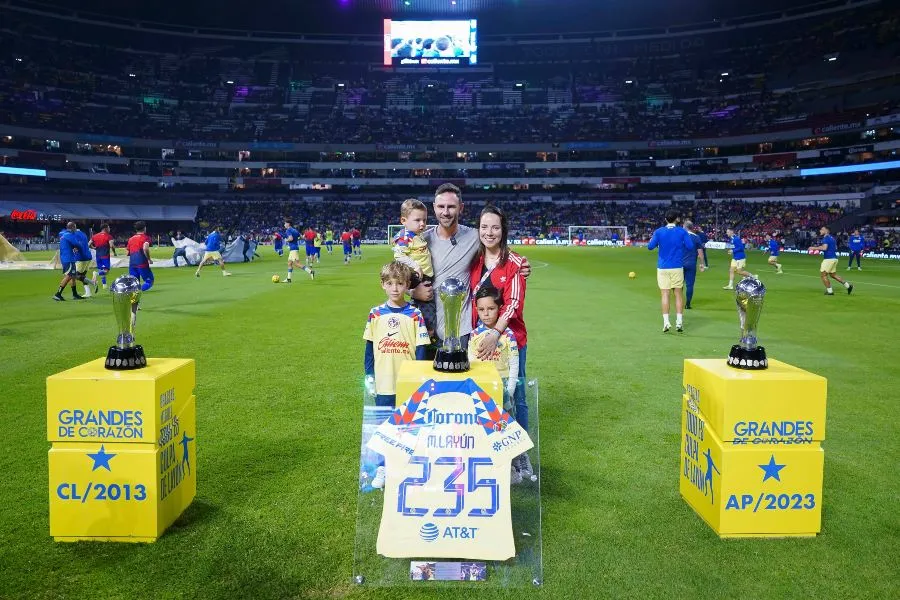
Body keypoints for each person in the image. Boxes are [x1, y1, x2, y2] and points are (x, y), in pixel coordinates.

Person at [411, 183, 532, 351]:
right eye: (441, 206)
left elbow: (495, 245)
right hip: (426, 326)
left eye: (451, 206)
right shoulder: (420, 242)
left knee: (462, 376)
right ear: (434, 208)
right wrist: (411, 291)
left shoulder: (475, 237)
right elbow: (396, 278)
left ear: (461, 208)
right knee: (425, 377)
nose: (445, 212)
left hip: (463, 330)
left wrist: (520, 265)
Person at [467, 205, 532, 480]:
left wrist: (496, 334)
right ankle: (489, 447)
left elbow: (514, 303)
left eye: (495, 227)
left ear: (503, 230)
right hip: (480, 342)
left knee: (515, 395)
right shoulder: (473, 261)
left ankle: (521, 455)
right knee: (484, 396)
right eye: (484, 227)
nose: (489, 232)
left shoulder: (515, 263)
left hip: (509, 341)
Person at [363, 262, 429, 407]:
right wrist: (369, 375)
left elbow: (421, 349)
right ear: (383, 284)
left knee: (407, 425)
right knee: (384, 424)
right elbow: (370, 348)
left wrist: (418, 376)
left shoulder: (415, 314)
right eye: (390, 283)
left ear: (407, 285)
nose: (395, 288)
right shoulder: (375, 314)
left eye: (399, 283)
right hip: (383, 383)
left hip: (408, 382)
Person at [468, 286, 519, 410]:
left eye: (491, 308)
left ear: (499, 308)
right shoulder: (474, 334)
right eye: (481, 309)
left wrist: (510, 390)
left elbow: (514, 364)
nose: (486, 314)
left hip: (504, 386)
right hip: (481, 385)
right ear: (476, 310)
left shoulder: (508, 335)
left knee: (506, 421)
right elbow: (471, 361)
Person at [648, 210, 694, 332]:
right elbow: (690, 246)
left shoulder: (659, 232)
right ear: (677, 219)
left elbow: (650, 247)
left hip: (663, 267)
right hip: (677, 266)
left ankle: (666, 322)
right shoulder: (682, 231)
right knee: (678, 294)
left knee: (665, 294)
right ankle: (679, 322)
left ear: (665, 219)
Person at [811, 226, 853, 296]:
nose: (820, 230)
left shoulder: (826, 238)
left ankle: (830, 291)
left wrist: (813, 248)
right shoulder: (832, 238)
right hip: (834, 258)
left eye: (822, 229)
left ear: (826, 231)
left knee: (823, 275)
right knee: (833, 275)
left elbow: (824, 248)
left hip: (829, 259)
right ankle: (848, 286)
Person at [53, 222, 84, 301]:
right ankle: (58, 294)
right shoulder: (69, 235)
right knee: (69, 276)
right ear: (73, 227)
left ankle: (75, 294)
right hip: (68, 258)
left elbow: (70, 244)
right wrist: (80, 246)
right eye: (75, 228)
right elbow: (77, 244)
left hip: (65, 257)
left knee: (73, 276)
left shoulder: (63, 234)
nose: (76, 230)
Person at [682, 220, 704, 310]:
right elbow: (700, 253)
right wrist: (702, 264)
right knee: (690, 285)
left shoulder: (681, 236)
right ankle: (688, 304)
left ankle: (678, 301)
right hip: (691, 263)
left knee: (678, 285)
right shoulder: (696, 237)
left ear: (685, 227)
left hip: (680, 263)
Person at [126, 221, 154, 292]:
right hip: (142, 263)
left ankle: (132, 295)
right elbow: (145, 248)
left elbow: (127, 253)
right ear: (144, 228)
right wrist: (149, 259)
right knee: (149, 281)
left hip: (132, 264)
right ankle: (139, 291)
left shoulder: (131, 239)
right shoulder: (146, 238)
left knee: (135, 283)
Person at [72, 225, 98, 297]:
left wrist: (74, 248)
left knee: (75, 275)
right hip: (88, 256)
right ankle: (88, 292)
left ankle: (93, 283)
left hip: (81, 258)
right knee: (83, 276)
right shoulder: (83, 234)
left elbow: (76, 245)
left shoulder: (74, 234)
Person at [90, 223, 116, 288]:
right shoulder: (109, 236)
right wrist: (114, 252)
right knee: (106, 271)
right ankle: (96, 274)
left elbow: (88, 244)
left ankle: (104, 284)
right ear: (105, 228)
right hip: (105, 256)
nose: (109, 229)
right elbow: (111, 246)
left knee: (101, 269)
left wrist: (93, 247)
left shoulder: (95, 236)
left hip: (98, 256)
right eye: (109, 227)